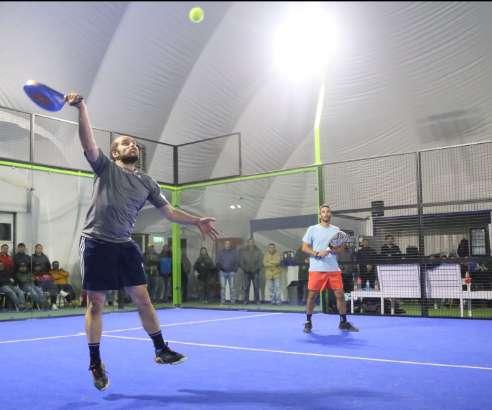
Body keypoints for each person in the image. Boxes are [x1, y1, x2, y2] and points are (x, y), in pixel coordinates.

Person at [66, 92, 219, 391]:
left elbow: (169, 212)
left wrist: (196, 220)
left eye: (134, 143)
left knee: (143, 298)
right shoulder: (105, 168)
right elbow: (88, 142)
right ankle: (95, 361)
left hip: (124, 244)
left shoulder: (147, 181)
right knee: (96, 303)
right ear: (114, 152)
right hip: (96, 242)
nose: (132, 145)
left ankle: (161, 349)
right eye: (125, 143)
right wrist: (82, 107)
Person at [301, 203, 358, 333]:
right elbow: (304, 247)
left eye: (328, 211)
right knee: (312, 296)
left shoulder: (336, 230)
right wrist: (316, 253)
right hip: (316, 269)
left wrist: (332, 250)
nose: (326, 214)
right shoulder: (312, 229)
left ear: (330, 214)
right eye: (323, 212)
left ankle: (343, 322)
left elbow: (341, 248)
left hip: (333, 269)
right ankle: (308, 322)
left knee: (340, 295)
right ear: (320, 215)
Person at [239, 238, 263, 304]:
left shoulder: (258, 251)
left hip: (256, 272)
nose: (251, 243)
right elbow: (241, 262)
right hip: (246, 272)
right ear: (248, 243)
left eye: (252, 242)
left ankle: (257, 300)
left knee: (256, 287)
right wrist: (245, 269)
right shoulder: (243, 251)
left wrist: (256, 269)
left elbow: (260, 262)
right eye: (250, 242)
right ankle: (246, 300)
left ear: (254, 243)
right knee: (246, 287)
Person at [215, 240, 239, 304]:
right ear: (224, 244)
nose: (227, 245)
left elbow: (237, 262)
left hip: (231, 272)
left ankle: (233, 301)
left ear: (230, 245)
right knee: (223, 287)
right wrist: (220, 269)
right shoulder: (220, 252)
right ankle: (222, 301)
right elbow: (217, 262)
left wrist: (234, 270)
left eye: (228, 244)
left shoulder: (234, 252)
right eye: (226, 243)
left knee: (232, 287)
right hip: (222, 273)